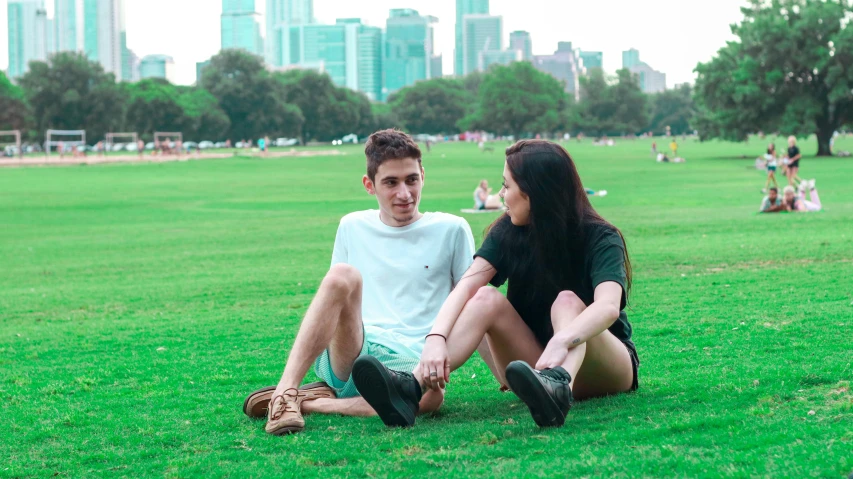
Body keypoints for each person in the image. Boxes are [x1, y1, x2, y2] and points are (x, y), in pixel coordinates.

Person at [352, 140, 638, 429]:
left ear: (534, 193)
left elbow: (608, 307)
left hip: (607, 368)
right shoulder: (507, 231)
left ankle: (558, 386)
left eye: (507, 186)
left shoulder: (601, 237)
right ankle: (410, 388)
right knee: (485, 297)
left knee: (567, 300)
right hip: (537, 367)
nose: (501, 195)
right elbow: (465, 288)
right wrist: (435, 339)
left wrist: (562, 340)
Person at [242, 129, 475, 435]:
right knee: (342, 275)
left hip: (412, 360)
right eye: (391, 183)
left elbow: (471, 304)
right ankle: (286, 393)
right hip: (355, 348)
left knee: (432, 396)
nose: (404, 193)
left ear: (423, 175)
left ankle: (314, 403)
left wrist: (504, 374)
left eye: (411, 180)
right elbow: (335, 302)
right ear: (370, 185)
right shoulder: (352, 225)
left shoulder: (453, 229)